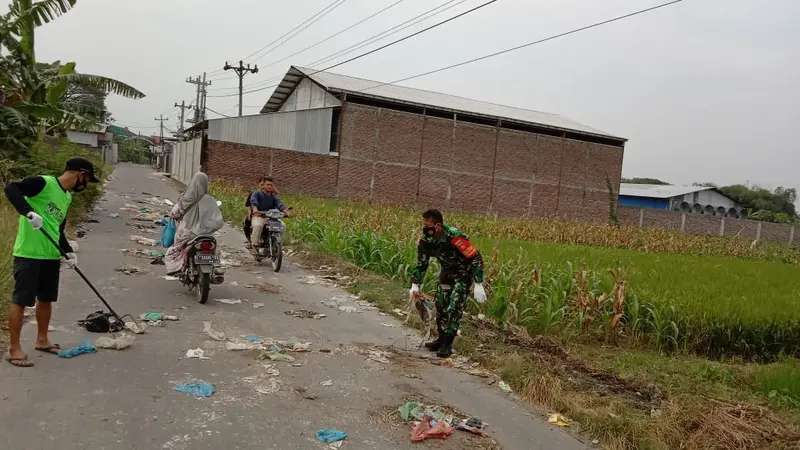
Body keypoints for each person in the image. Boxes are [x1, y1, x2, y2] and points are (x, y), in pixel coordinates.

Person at [2, 157, 100, 367]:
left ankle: (42, 339)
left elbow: (58, 228)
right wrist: (28, 212)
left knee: (46, 299)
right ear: (80, 174)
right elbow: (11, 189)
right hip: (29, 253)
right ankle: (14, 348)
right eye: (87, 179)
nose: (85, 185)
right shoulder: (43, 183)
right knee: (21, 300)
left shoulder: (66, 197)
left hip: (50, 255)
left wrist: (68, 252)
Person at [409, 209, 486, 358]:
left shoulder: (454, 236)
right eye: (424, 225)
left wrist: (478, 283)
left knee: (454, 306)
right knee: (441, 304)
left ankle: (447, 344)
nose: (425, 229)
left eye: (428, 226)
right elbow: (421, 263)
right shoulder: (427, 240)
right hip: (447, 272)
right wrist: (415, 285)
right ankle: (440, 338)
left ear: (437, 226)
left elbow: (476, 257)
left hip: (463, 273)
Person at [165, 172, 224, 274]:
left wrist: (172, 215)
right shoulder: (210, 200)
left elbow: (175, 212)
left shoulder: (185, 199)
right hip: (206, 233)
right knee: (213, 248)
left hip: (188, 233)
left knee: (176, 248)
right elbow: (216, 217)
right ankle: (214, 266)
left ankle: (177, 268)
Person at [249, 176, 290, 249]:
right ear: (263, 185)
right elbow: (253, 202)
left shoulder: (273, 196)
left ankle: (279, 244)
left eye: (271, 185)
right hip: (259, 216)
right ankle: (254, 245)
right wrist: (255, 210)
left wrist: (285, 211)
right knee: (258, 225)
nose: (269, 186)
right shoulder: (257, 193)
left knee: (283, 226)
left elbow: (279, 204)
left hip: (271, 217)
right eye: (267, 184)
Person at [243, 176, 276, 246]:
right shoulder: (254, 194)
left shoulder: (271, 195)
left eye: (270, 185)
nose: (263, 187)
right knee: (249, 223)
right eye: (261, 185)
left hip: (268, 215)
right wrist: (250, 213)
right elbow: (249, 205)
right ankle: (251, 241)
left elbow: (278, 201)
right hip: (256, 214)